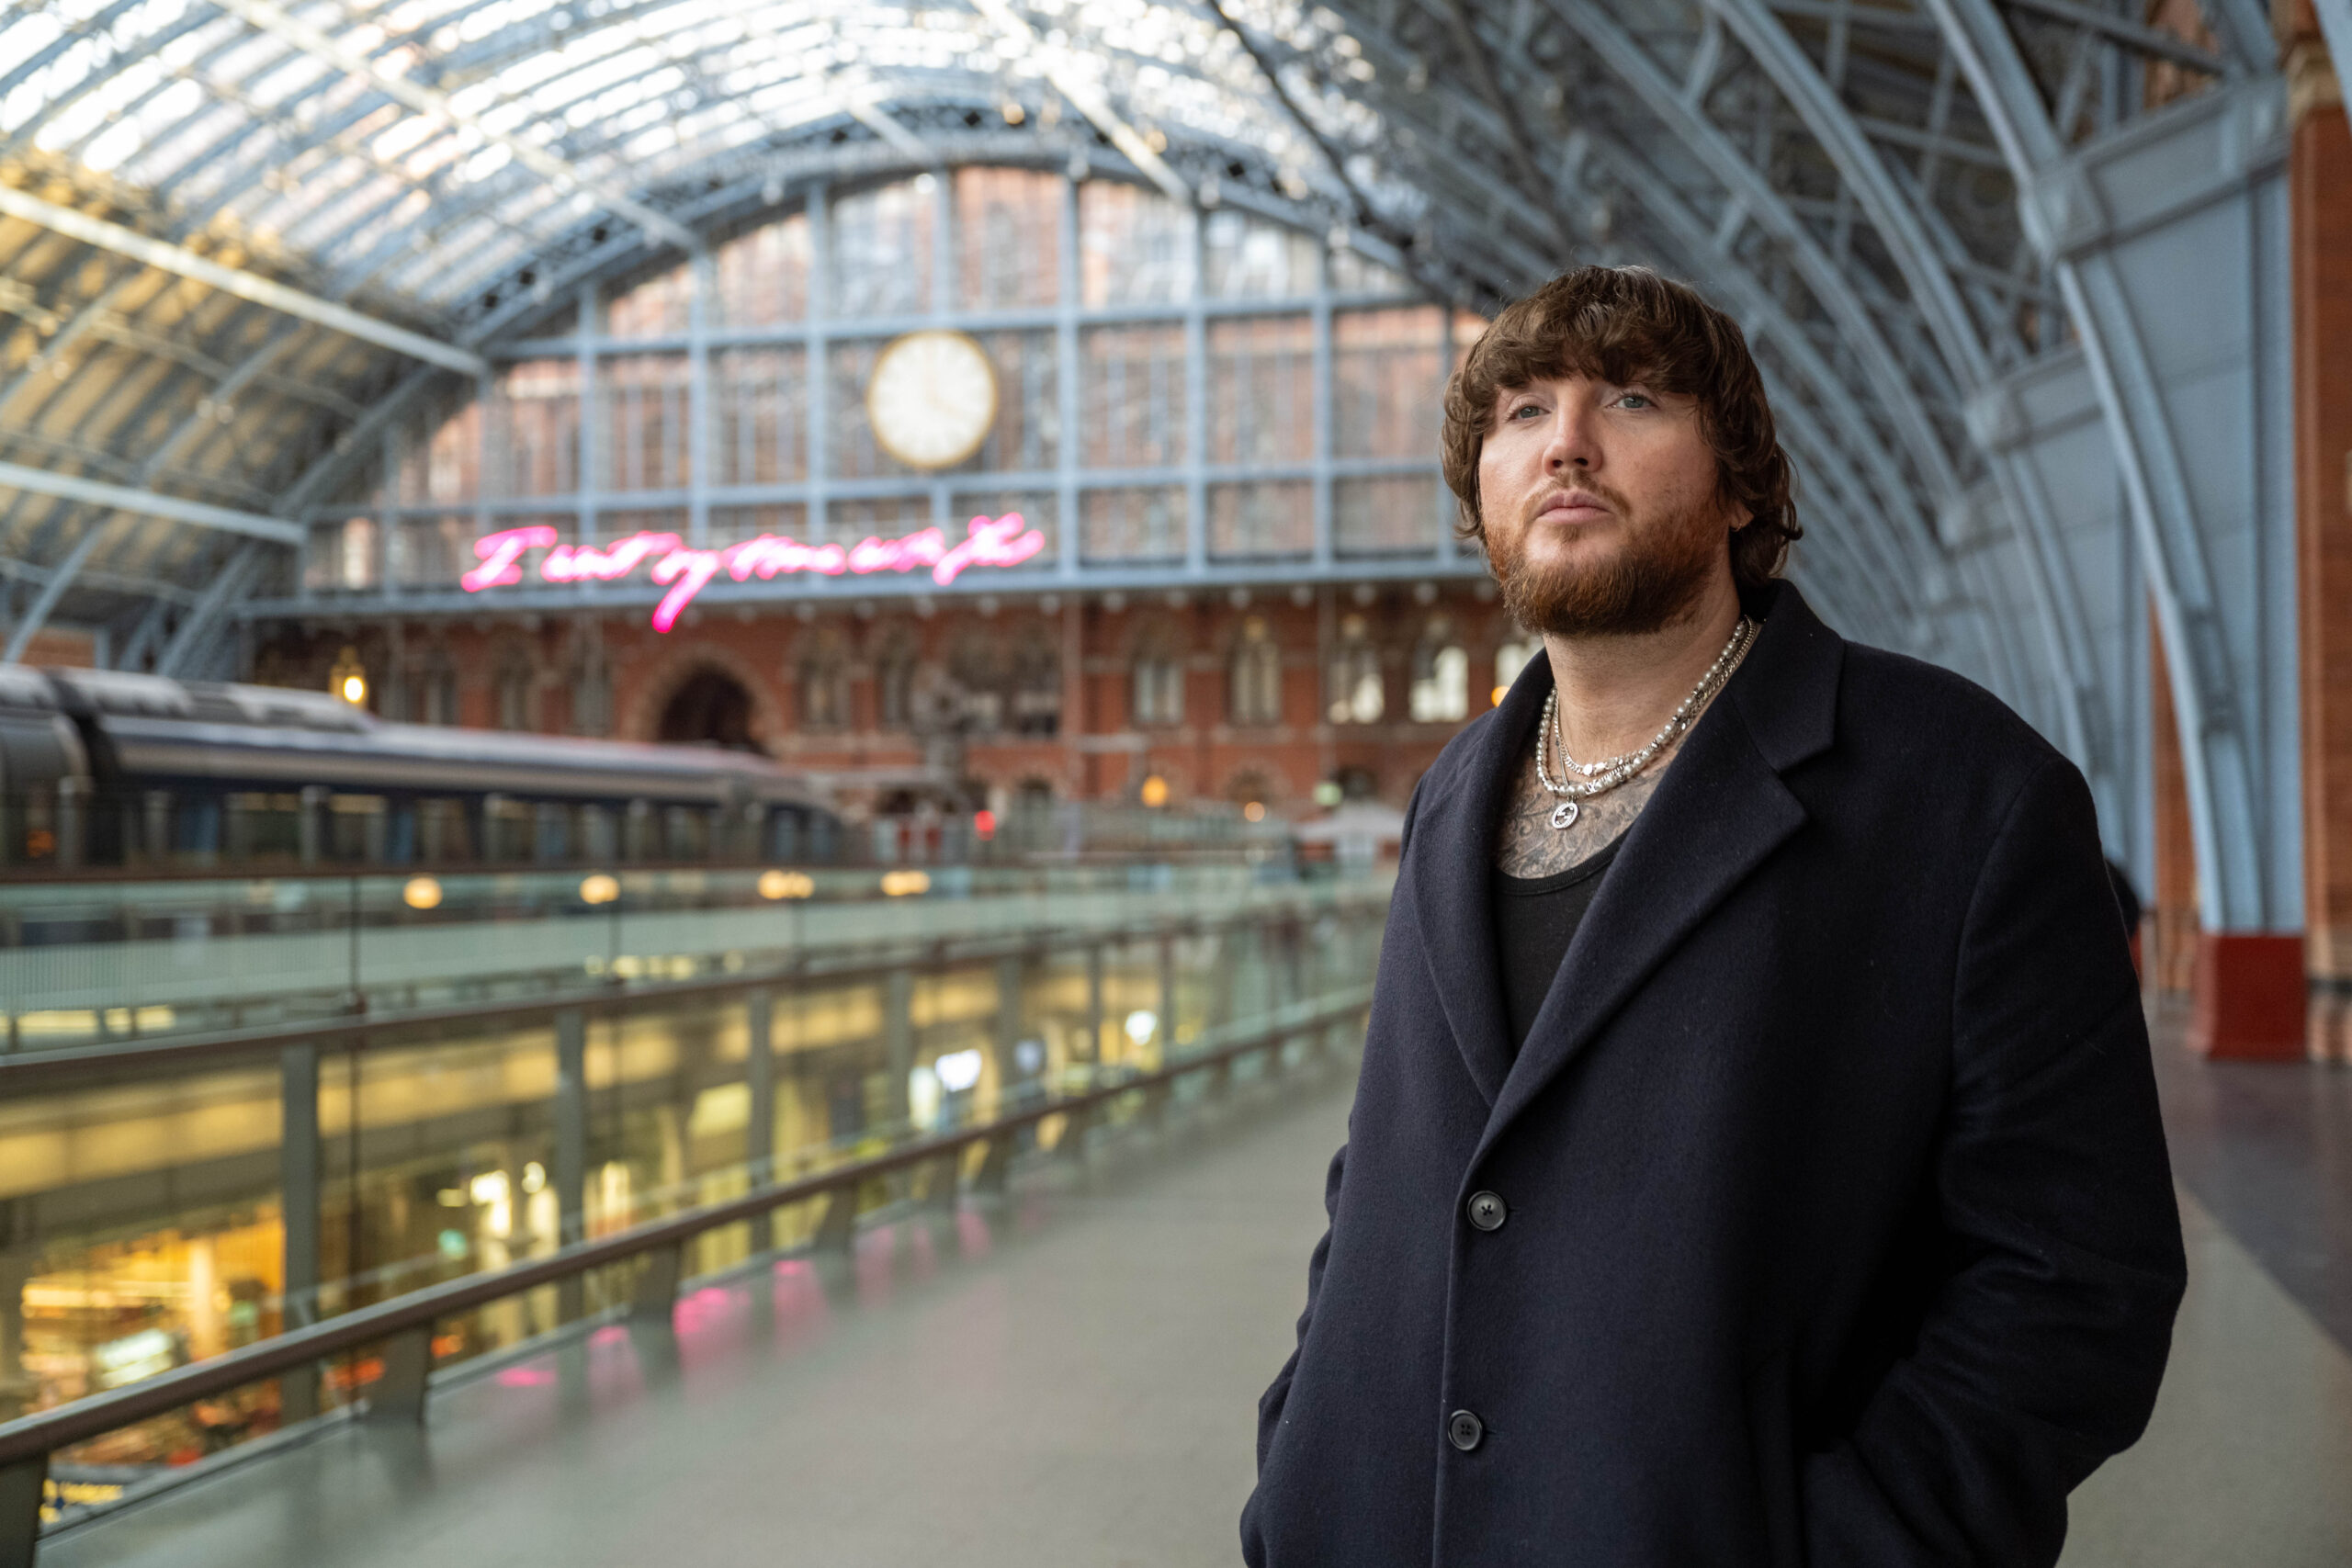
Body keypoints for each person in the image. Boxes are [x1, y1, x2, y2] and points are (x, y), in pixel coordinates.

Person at [1239, 266, 2184, 1567]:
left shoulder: (1961, 793)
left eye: (1630, 396)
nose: (1565, 438)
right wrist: (1300, 1457)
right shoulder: (1454, 797)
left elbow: (2079, 1279)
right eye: (1520, 413)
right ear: (1482, 501)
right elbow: (1392, 1175)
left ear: (1741, 485)